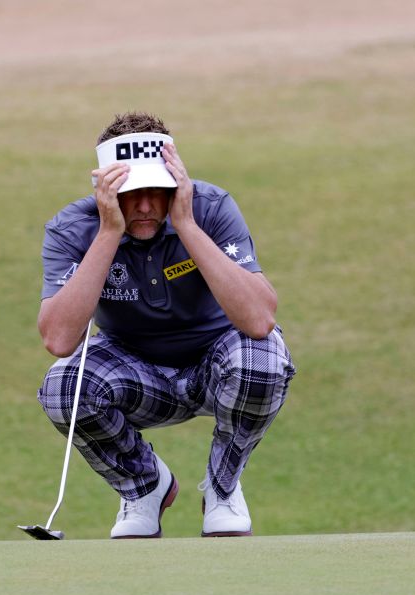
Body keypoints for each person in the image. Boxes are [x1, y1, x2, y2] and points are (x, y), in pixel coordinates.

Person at [36, 112, 296, 538]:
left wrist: (187, 224)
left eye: (155, 190)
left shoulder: (210, 207)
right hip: (135, 371)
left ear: (174, 182)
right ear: (105, 188)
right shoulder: (74, 228)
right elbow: (60, 339)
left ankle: (222, 486)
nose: (143, 205)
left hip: (219, 363)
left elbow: (259, 319)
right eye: (129, 192)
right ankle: (144, 487)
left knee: (264, 360)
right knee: (64, 388)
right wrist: (107, 235)